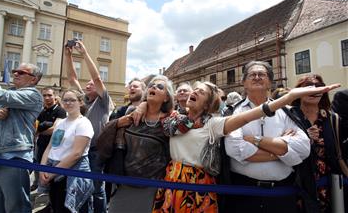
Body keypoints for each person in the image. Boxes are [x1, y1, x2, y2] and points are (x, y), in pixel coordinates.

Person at [146, 77, 339, 212]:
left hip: (199, 186)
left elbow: (251, 115)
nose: (194, 92)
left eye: (201, 91)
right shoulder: (173, 119)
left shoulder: (213, 124)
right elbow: (156, 113)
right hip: (171, 182)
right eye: (194, 90)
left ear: (208, 103)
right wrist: (141, 106)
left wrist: (287, 98)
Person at [223, 61, 313, 213]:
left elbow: (303, 148)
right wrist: (282, 150)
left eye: (262, 74)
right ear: (244, 82)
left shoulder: (287, 111)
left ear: (270, 82)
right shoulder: (233, 113)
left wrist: (255, 140)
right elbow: (234, 148)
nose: (257, 77)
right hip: (244, 194)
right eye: (252, 74)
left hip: (282, 194)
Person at [98, 75, 174, 213]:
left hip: (150, 187)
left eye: (160, 86)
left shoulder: (170, 121)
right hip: (122, 183)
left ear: (166, 98)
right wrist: (118, 122)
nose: (154, 87)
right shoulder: (132, 113)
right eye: (151, 85)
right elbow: (105, 131)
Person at [0, 63, 43, 213]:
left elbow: (3, 96)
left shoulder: (33, 94)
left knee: (16, 208)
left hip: (14, 156)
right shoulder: (9, 93)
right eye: (14, 71)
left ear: (34, 79)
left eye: (21, 72)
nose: (16, 74)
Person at [290, 74, 347, 212]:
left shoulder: (333, 119)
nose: (314, 90)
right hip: (296, 186)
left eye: (319, 87)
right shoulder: (289, 117)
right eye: (308, 86)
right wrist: (303, 139)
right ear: (299, 91)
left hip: (328, 187)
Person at [65, 40, 110, 212]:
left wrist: (84, 53)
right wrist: (67, 55)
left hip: (95, 150)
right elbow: (72, 78)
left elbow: (97, 77)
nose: (88, 84)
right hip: (78, 149)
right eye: (87, 83)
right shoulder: (83, 100)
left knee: (97, 189)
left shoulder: (103, 101)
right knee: (80, 185)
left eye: (92, 84)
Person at [39, 89, 94, 213]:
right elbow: (50, 147)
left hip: (71, 173)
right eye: (65, 100)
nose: (68, 103)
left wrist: (51, 173)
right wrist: (43, 169)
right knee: (57, 207)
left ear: (80, 102)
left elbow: (76, 154)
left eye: (72, 100)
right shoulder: (60, 122)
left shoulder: (84, 123)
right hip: (53, 171)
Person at [31, 87, 67, 192]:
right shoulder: (42, 111)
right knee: (38, 166)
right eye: (44, 95)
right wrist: (39, 130)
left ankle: (46, 193)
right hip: (41, 144)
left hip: (54, 147)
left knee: (50, 172)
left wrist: (40, 131)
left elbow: (55, 130)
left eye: (50, 95)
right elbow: (34, 128)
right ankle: (38, 185)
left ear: (55, 97)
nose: (47, 98)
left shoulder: (60, 111)